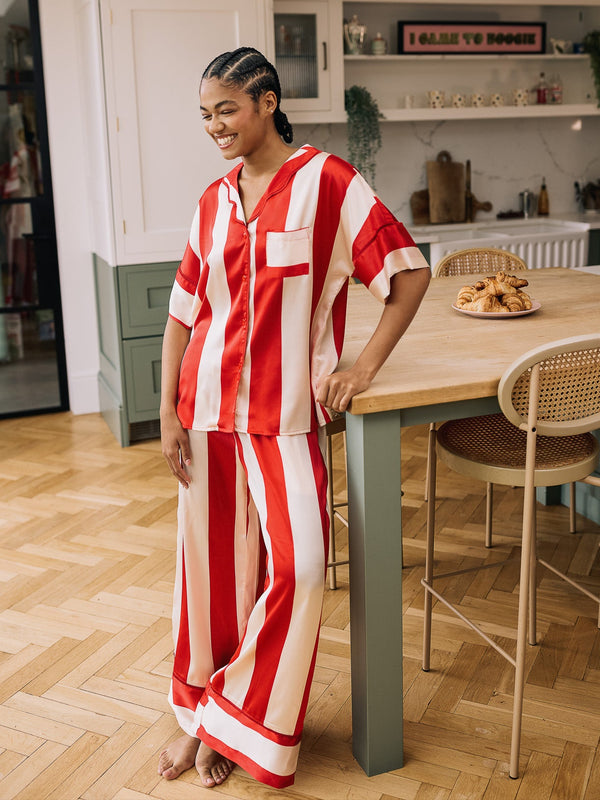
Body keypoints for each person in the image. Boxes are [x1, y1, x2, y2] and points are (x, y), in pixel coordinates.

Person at [157, 46, 430, 790]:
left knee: (303, 568)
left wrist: (363, 367)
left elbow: (407, 272)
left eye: (226, 109)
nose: (215, 126)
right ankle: (200, 720)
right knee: (213, 579)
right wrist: (166, 410)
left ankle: (228, 718)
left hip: (285, 420)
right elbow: (184, 313)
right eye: (205, 114)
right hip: (205, 412)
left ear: (267, 102)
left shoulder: (329, 183)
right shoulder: (213, 200)